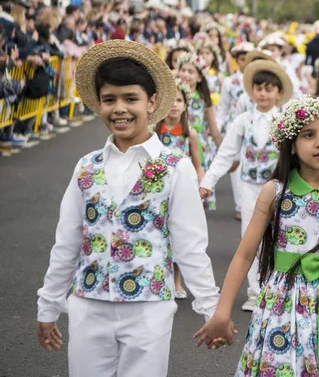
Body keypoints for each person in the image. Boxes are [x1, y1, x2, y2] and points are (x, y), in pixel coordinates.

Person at [36, 40, 221, 375]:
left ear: (151, 102)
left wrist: (213, 310)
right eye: (109, 100)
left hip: (149, 309)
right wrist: (48, 305)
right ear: (100, 104)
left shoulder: (175, 167)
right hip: (88, 305)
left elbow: (190, 245)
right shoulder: (86, 167)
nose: (119, 108)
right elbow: (67, 241)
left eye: (130, 98)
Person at [195, 95, 319, 376]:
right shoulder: (275, 192)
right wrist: (222, 311)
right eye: (308, 135)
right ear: (291, 145)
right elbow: (244, 254)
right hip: (284, 304)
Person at [199, 59, 293, 312]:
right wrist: (207, 182)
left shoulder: (286, 121)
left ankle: (278, 288)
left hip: (280, 187)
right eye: (259, 88)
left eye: (269, 89)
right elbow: (226, 154)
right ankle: (255, 291)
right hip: (250, 187)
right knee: (250, 238)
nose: (263, 93)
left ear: (279, 93)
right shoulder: (242, 120)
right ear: (252, 92)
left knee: (281, 237)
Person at [154, 78, 205, 299]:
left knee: (179, 234)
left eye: (179, 100)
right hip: (157, 186)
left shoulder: (189, 133)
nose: (174, 105)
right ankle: (159, 277)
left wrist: (201, 187)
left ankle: (177, 281)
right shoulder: (154, 130)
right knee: (159, 233)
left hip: (183, 188)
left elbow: (198, 164)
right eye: (171, 100)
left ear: (185, 105)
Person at [177, 51, 222, 210]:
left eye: (191, 71)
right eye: (183, 70)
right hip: (176, 144)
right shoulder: (173, 96)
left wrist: (225, 155)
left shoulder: (203, 99)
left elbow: (214, 130)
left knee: (196, 192)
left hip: (199, 148)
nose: (185, 74)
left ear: (200, 77)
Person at [217, 42, 255, 220]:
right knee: (235, 164)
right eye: (242, 59)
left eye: (249, 59)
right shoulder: (230, 81)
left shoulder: (258, 81)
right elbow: (223, 107)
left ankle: (252, 204)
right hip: (234, 126)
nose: (245, 63)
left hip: (253, 129)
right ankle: (240, 205)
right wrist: (218, 128)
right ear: (237, 60)